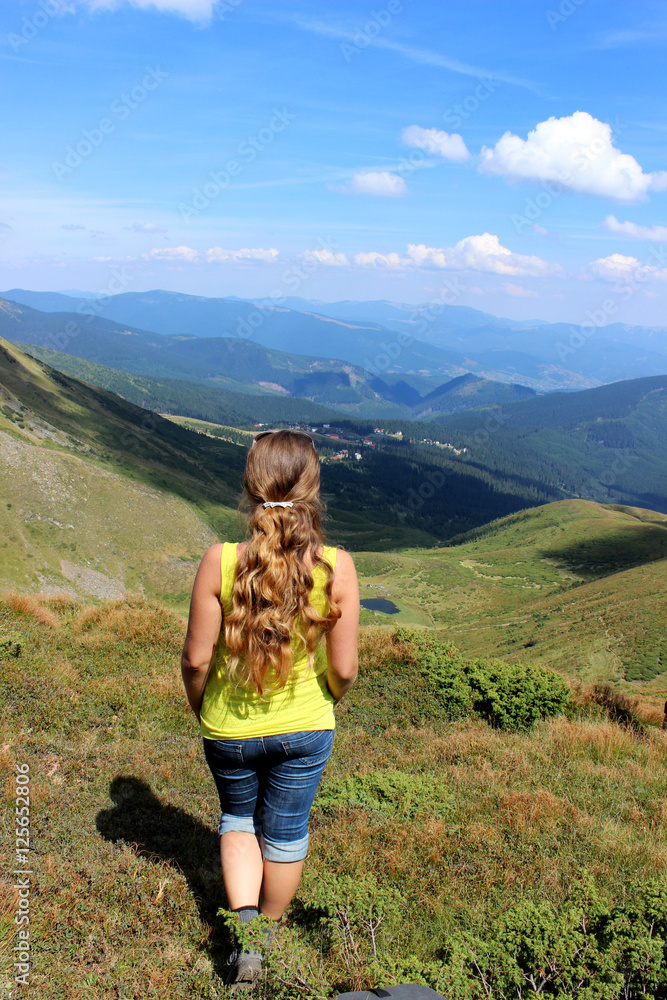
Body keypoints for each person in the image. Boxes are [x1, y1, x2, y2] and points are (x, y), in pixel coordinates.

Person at [181, 429, 359, 985]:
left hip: (229, 726)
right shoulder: (336, 566)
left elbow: (194, 660)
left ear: (250, 489)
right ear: (313, 489)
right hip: (307, 724)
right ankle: (266, 936)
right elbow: (346, 668)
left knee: (238, 821)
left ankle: (244, 933)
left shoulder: (220, 560)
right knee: (285, 831)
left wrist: (201, 707)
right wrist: (326, 696)